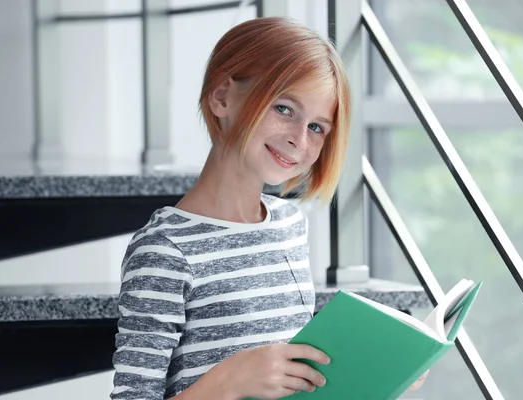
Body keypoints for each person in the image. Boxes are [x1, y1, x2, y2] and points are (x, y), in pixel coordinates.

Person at [110, 16, 425, 400]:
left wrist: (376, 372)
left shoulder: (289, 224)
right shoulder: (165, 251)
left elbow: (294, 377)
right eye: (284, 109)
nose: (298, 139)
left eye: (316, 128)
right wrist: (228, 381)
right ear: (222, 96)